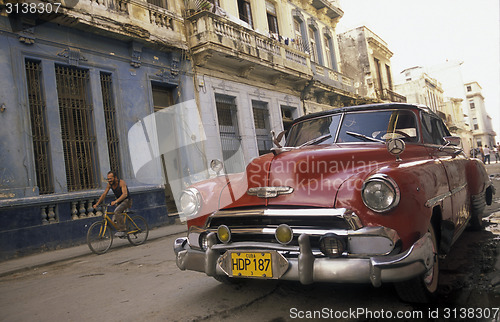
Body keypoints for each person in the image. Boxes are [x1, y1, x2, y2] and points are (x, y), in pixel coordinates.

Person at [93, 171, 132, 237]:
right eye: (108, 179)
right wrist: (97, 204)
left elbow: (125, 194)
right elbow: (104, 194)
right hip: (120, 202)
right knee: (114, 220)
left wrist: (115, 201)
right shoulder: (109, 184)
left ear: (115, 178)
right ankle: (123, 231)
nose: (109, 180)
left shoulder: (121, 183)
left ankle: (123, 230)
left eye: (110, 178)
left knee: (117, 211)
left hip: (127, 201)